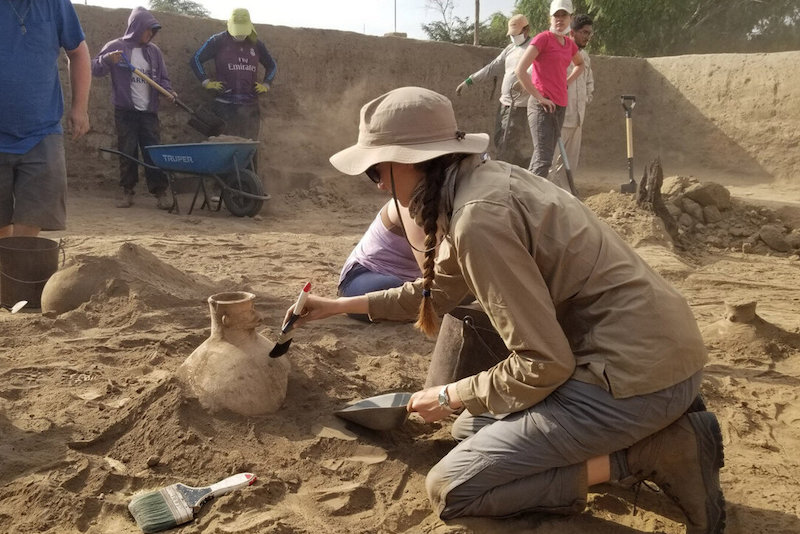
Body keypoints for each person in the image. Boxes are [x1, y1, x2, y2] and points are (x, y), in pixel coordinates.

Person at [284, 86, 725, 533]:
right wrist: (336, 306)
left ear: (412, 161)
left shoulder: (479, 218)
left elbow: (543, 364)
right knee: (466, 431)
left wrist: (446, 395)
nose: (377, 183)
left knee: (455, 488)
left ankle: (651, 451)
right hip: (646, 356)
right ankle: (649, 437)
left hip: (634, 377)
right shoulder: (476, 183)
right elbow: (432, 294)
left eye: (377, 169)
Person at [0, 0, 90, 238]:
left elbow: (78, 52)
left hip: (42, 132)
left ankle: (18, 268)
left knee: (29, 228)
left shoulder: (56, 4)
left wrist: (79, 108)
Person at [92, 7, 175, 210]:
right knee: (127, 152)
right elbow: (95, 68)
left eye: (152, 31)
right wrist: (106, 60)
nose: (150, 34)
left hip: (149, 112)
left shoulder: (153, 52)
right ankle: (127, 192)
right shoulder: (116, 47)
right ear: (136, 27)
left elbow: (163, 79)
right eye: (147, 29)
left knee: (153, 152)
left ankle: (160, 192)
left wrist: (168, 92)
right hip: (125, 111)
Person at [190, 8, 276, 170]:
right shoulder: (218, 41)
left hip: (249, 107)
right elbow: (195, 59)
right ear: (230, 25)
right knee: (224, 148)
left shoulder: (256, 44)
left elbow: (272, 65)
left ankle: (249, 186)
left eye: (243, 31)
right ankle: (223, 189)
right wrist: (206, 82)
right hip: (224, 107)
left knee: (250, 147)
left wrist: (266, 85)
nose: (240, 35)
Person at [515, 0, 584, 179]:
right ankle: (530, 200)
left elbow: (580, 64)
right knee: (544, 158)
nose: (559, 19)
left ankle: (529, 195)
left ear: (571, 18)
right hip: (541, 106)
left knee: (545, 157)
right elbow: (520, 70)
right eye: (556, 15)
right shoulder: (543, 39)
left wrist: (566, 82)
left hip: (560, 105)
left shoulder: (569, 44)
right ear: (550, 18)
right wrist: (540, 97)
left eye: (564, 15)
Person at [455, 14, 532, 168]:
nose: (513, 37)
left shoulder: (534, 47)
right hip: (505, 102)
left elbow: (539, 69)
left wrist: (525, 83)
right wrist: (470, 80)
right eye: (512, 34)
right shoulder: (510, 49)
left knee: (508, 141)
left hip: (520, 105)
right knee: (499, 139)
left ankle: (508, 173)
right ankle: (522, 165)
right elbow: (492, 67)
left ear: (526, 30)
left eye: (516, 34)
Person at [338, 199, 425, 322]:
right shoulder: (407, 206)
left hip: (409, 281)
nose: (381, 186)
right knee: (412, 294)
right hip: (364, 277)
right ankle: (337, 306)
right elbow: (435, 272)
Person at [549, 14, 594, 192]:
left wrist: (586, 99)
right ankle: (548, 195)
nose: (587, 36)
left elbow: (589, 81)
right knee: (551, 160)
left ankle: (566, 195)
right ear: (572, 32)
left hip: (577, 118)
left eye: (590, 33)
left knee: (570, 163)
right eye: (584, 32)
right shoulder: (560, 51)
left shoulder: (585, 57)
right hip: (560, 116)